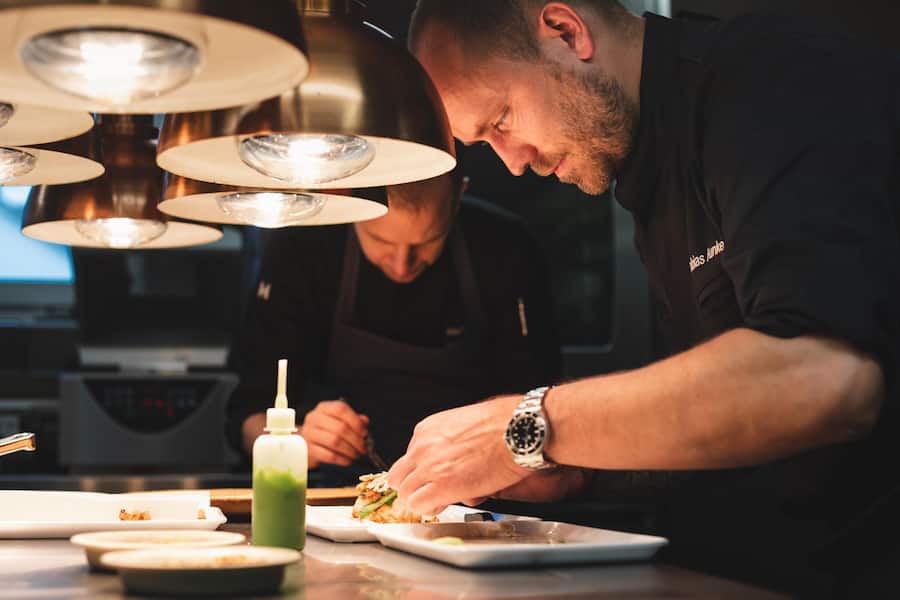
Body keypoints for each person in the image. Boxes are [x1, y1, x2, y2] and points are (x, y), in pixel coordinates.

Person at [389, 1, 900, 596]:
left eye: (501, 120)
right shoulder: (647, 175)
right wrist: (577, 474)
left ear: (565, 30)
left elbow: (826, 381)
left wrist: (524, 425)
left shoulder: (768, 77)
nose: (514, 163)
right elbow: (721, 418)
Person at [227, 170, 560, 483]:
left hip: (476, 496)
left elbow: (539, 406)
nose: (403, 265)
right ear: (348, 199)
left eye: (428, 241)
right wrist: (296, 443)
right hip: (337, 497)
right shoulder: (305, 248)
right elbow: (247, 415)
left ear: (458, 196)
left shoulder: (506, 248)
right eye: (381, 241)